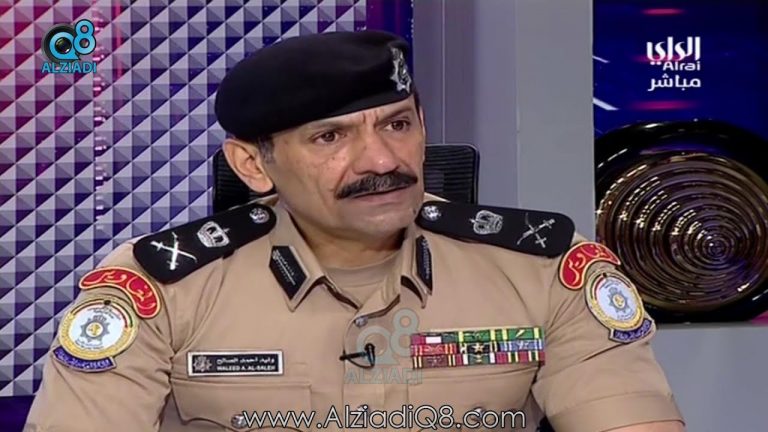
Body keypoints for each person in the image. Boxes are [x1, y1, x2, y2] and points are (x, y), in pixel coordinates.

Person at [25, 30, 685, 432]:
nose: (381, 161)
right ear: (252, 164)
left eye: (397, 124)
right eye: (330, 138)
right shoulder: (162, 289)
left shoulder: (545, 271)